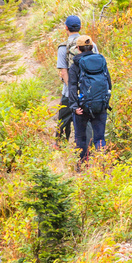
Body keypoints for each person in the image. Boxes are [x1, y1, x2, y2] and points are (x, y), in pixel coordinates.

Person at [67, 34, 112, 163]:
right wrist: (104, 102)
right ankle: (102, 166)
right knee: (99, 138)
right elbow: (109, 83)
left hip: (82, 108)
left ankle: (82, 167)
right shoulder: (101, 61)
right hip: (100, 106)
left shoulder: (76, 65)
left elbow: (72, 87)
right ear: (92, 47)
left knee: (81, 139)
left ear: (78, 48)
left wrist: (74, 106)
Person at [56, 15, 83, 140]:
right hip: (87, 90)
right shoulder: (90, 43)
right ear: (80, 27)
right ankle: (85, 146)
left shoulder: (63, 47)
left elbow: (64, 72)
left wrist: (72, 89)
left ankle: (60, 143)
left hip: (68, 91)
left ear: (66, 28)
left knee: (63, 118)